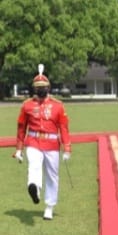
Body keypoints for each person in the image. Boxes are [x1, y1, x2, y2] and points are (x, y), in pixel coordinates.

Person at [13, 64, 71, 220]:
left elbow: (64, 127)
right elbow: (21, 128)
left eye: (43, 87)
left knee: (52, 175)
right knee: (34, 164)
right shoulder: (27, 105)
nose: (41, 89)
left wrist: (67, 149)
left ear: (49, 87)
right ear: (34, 88)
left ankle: (49, 207)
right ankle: (34, 188)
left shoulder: (57, 106)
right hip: (33, 141)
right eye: (38, 87)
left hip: (52, 144)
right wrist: (18, 149)